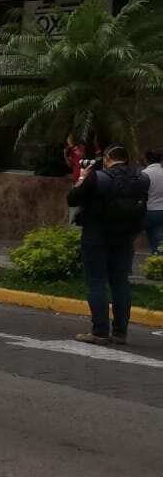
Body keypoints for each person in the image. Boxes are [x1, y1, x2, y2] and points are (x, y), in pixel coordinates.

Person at [68, 145, 150, 345]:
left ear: (107, 158)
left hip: (96, 235)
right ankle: (120, 333)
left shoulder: (99, 177)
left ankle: (100, 332)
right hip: (125, 237)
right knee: (120, 282)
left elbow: (72, 199)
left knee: (96, 281)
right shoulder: (142, 179)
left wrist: (83, 177)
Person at [144, 150, 163, 255]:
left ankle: (156, 258)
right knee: (159, 239)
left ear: (146, 160)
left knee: (152, 238)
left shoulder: (144, 174)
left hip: (149, 210)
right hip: (162, 210)